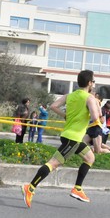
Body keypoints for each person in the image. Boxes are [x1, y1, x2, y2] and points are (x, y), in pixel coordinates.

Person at [21, 70, 99, 207]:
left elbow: (53, 106)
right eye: (93, 81)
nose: (94, 84)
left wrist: (65, 115)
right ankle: (30, 187)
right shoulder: (89, 98)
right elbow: (95, 117)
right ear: (89, 83)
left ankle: (78, 188)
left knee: (90, 158)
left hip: (71, 137)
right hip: (73, 139)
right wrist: (97, 108)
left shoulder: (70, 95)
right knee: (53, 163)